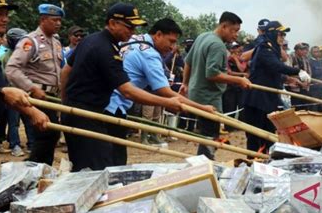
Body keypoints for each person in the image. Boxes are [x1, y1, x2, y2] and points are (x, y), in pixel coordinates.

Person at [60, 3, 183, 171]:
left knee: (87, 167)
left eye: (134, 27)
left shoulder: (92, 40)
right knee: (99, 171)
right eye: (129, 26)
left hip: (82, 112)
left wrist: (65, 104)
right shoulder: (106, 49)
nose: (133, 32)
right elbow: (127, 91)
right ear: (112, 23)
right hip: (87, 115)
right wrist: (167, 103)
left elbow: (66, 71)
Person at [104, 18, 214, 164]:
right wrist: (202, 108)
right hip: (114, 106)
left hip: (103, 101)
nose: (172, 47)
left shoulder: (136, 38)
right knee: (114, 161)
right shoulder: (150, 54)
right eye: (171, 41)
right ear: (158, 35)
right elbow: (166, 92)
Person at [0, 0, 49, 190]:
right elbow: (3, 90)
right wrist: (30, 111)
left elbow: (1, 87)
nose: (5, 18)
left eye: (6, 14)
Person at [180, 11, 251, 160]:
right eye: (234, 31)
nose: (236, 35)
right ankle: (205, 166)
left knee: (207, 133)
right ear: (224, 26)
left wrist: (185, 83)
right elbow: (211, 74)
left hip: (196, 93)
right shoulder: (217, 45)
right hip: (208, 98)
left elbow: (188, 62)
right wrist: (239, 80)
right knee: (210, 136)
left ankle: (205, 163)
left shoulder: (202, 37)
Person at [5, 4, 65, 165]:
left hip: (51, 96)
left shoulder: (56, 42)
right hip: (36, 95)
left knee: (51, 136)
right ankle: (33, 169)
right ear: (43, 20)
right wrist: (31, 88)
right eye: (54, 20)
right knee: (47, 133)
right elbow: (11, 69)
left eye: (60, 20)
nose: (58, 24)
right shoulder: (30, 41)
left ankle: (42, 170)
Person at [243, 21, 310, 152]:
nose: (283, 37)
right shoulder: (264, 48)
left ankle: (267, 161)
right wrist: (298, 71)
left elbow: (271, 72)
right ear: (273, 33)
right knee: (257, 135)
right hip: (257, 99)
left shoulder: (273, 49)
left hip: (268, 98)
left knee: (269, 134)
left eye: (284, 34)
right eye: (281, 34)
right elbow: (276, 66)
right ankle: (253, 162)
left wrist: (288, 78)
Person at [2, 28, 35, 157]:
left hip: (24, 92)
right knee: (14, 122)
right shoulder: (5, 55)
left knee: (28, 119)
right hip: (11, 93)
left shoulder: (23, 54)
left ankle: (32, 144)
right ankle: (15, 145)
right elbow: (3, 75)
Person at [289, 43, 312, 108]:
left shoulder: (305, 58)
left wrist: (307, 81)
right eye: (301, 49)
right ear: (296, 50)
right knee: (296, 106)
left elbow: (308, 72)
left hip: (304, 86)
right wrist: (300, 83)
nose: (304, 51)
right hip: (294, 88)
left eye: (305, 49)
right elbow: (289, 73)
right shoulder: (291, 57)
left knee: (306, 105)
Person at [309, 46, 322, 111]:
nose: (316, 53)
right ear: (311, 53)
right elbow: (311, 74)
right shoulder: (309, 62)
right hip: (314, 89)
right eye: (315, 52)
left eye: (318, 51)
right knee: (315, 106)